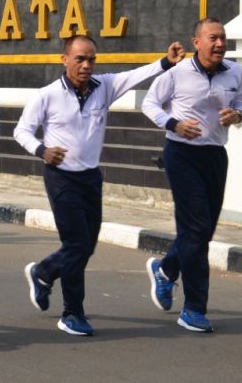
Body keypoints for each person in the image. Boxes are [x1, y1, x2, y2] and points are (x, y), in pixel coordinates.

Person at [14, 36, 184, 336]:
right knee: (76, 244)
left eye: (91, 59)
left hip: (90, 178)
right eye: (79, 59)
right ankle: (72, 313)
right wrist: (43, 151)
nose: (86, 65)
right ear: (64, 59)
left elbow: (134, 76)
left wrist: (165, 62)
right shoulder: (48, 95)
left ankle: (44, 272)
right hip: (61, 177)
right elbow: (21, 131)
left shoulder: (103, 86)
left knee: (86, 245)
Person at [141, 18, 242, 333]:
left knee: (204, 231)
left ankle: (166, 269)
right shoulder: (178, 73)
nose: (220, 44)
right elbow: (149, 103)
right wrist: (173, 124)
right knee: (197, 227)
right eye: (213, 38)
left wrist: (237, 115)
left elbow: (241, 103)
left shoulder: (234, 71)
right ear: (196, 42)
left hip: (215, 155)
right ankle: (194, 309)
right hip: (181, 154)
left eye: (222, 38)